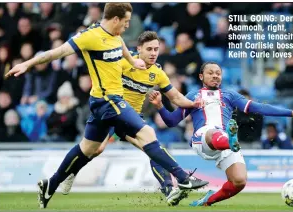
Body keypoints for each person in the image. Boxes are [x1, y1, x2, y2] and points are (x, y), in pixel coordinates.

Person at [5, 3, 208, 209]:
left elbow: (122, 49)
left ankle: (51, 184)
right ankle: (182, 178)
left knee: (88, 148)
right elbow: (56, 52)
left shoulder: (116, 37)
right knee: (147, 135)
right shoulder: (89, 37)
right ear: (116, 19)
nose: (128, 26)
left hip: (106, 104)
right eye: (126, 21)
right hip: (108, 100)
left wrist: (133, 61)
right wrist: (27, 64)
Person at [60, 31, 203, 206]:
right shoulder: (124, 63)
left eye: (156, 49)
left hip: (132, 118)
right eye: (149, 49)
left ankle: (168, 190)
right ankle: (71, 173)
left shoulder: (157, 73)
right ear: (139, 49)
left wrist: (194, 104)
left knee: (153, 149)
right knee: (96, 150)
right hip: (111, 112)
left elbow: (176, 98)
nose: (153, 53)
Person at [147, 62, 293, 206]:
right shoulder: (193, 96)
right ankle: (230, 140)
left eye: (218, 73)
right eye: (210, 73)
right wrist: (160, 106)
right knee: (213, 132)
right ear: (201, 77)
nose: (215, 76)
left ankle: (207, 201)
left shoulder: (229, 95)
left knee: (239, 181)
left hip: (225, 140)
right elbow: (171, 121)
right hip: (203, 138)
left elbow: (259, 108)